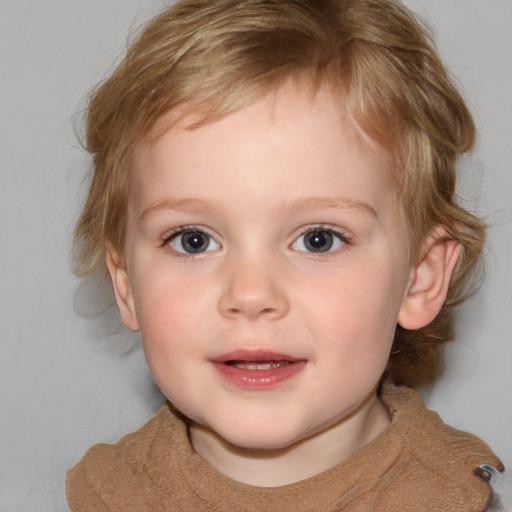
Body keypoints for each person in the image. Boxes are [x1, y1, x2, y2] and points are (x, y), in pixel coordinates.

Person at [66, 0, 505, 509]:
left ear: (419, 277)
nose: (250, 294)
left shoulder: (457, 498)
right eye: (194, 240)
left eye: (318, 239)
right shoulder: (105, 494)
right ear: (125, 284)